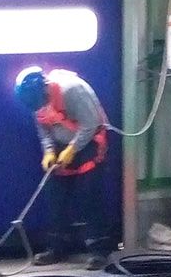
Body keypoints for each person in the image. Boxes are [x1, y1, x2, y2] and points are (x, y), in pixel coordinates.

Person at [14, 65, 109, 264]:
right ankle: (57, 248)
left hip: (89, 142)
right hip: (61, 145)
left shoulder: (72, 90)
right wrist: (49, 151)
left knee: (88, 196)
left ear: (43, 89)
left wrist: (72, 149)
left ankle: (98, 250)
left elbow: (91, 123)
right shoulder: (37, 102)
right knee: (55, 198)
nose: (38, 107)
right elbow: (43, 129)